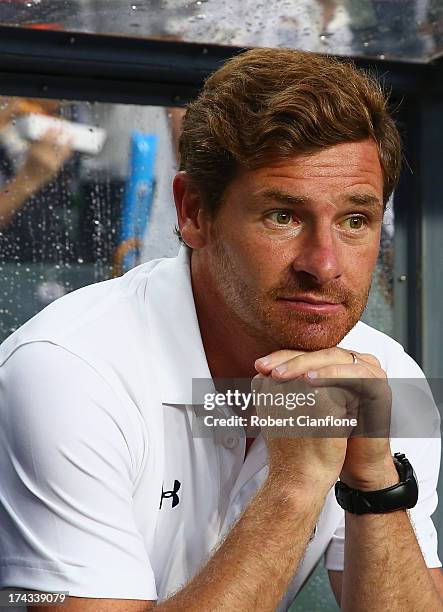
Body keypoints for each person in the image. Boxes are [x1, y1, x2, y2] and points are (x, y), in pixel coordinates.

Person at [0, 48, 442, 611]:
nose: (324, 264)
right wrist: (294, 486)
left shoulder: (382, 374)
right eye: (283, 216)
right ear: (192, 213)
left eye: (356, 220)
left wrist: (376, 480)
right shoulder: (66, 370)